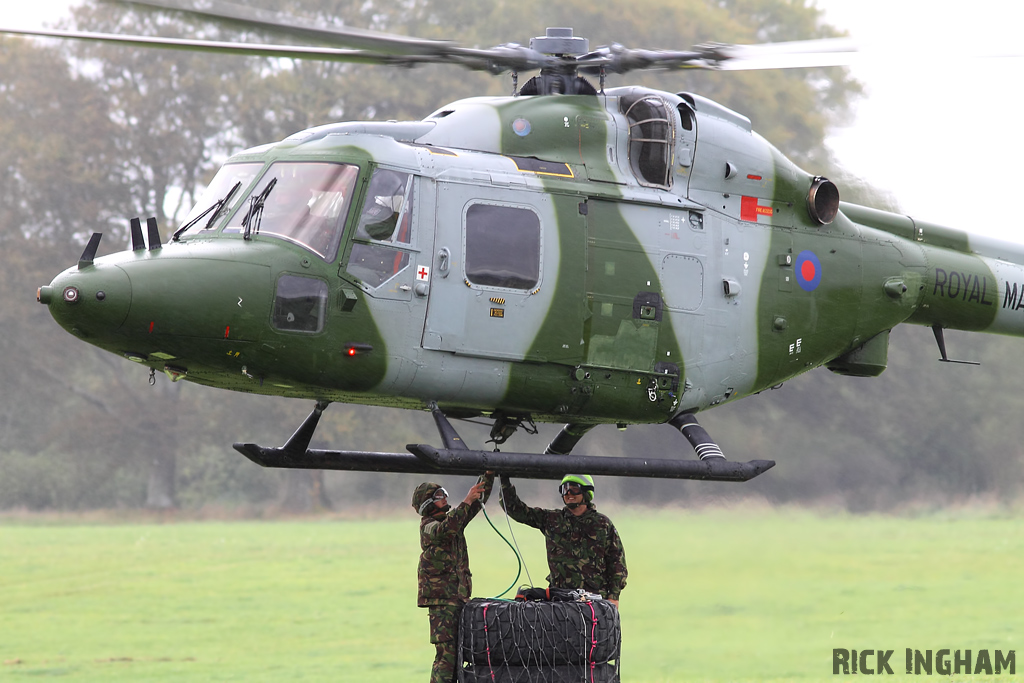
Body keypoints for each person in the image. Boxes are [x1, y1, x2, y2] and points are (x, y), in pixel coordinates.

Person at [412, 474, 494, 683]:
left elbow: (476, 504)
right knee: (446, 657)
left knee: (460, 654)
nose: (445, 498)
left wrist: (488, 474)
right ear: (428, 503)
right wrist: (467, 500)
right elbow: (445, 530)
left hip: (458, 599)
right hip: (442, 603)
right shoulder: (429, 526)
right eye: (439, 496)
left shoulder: (453, 521)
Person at [499, 473, 627, 606]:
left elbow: (617, 562)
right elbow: (516, 510)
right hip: (559, 600)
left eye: (574, 489)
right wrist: (504, 481)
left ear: (586, 492)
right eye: (565, 489)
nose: (569, 493)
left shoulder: (602, 524)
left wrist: (613, 597)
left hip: (593, 601)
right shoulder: (552, 519)